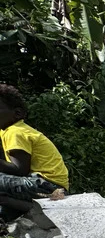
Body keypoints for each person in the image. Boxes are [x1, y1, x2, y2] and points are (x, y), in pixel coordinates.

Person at [0, 84, 68, 220]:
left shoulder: (15, 132)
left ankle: (32, 208)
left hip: (47, 185)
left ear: (17, 113)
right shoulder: (7, 131)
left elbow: (20, 170)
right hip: (51, 188)